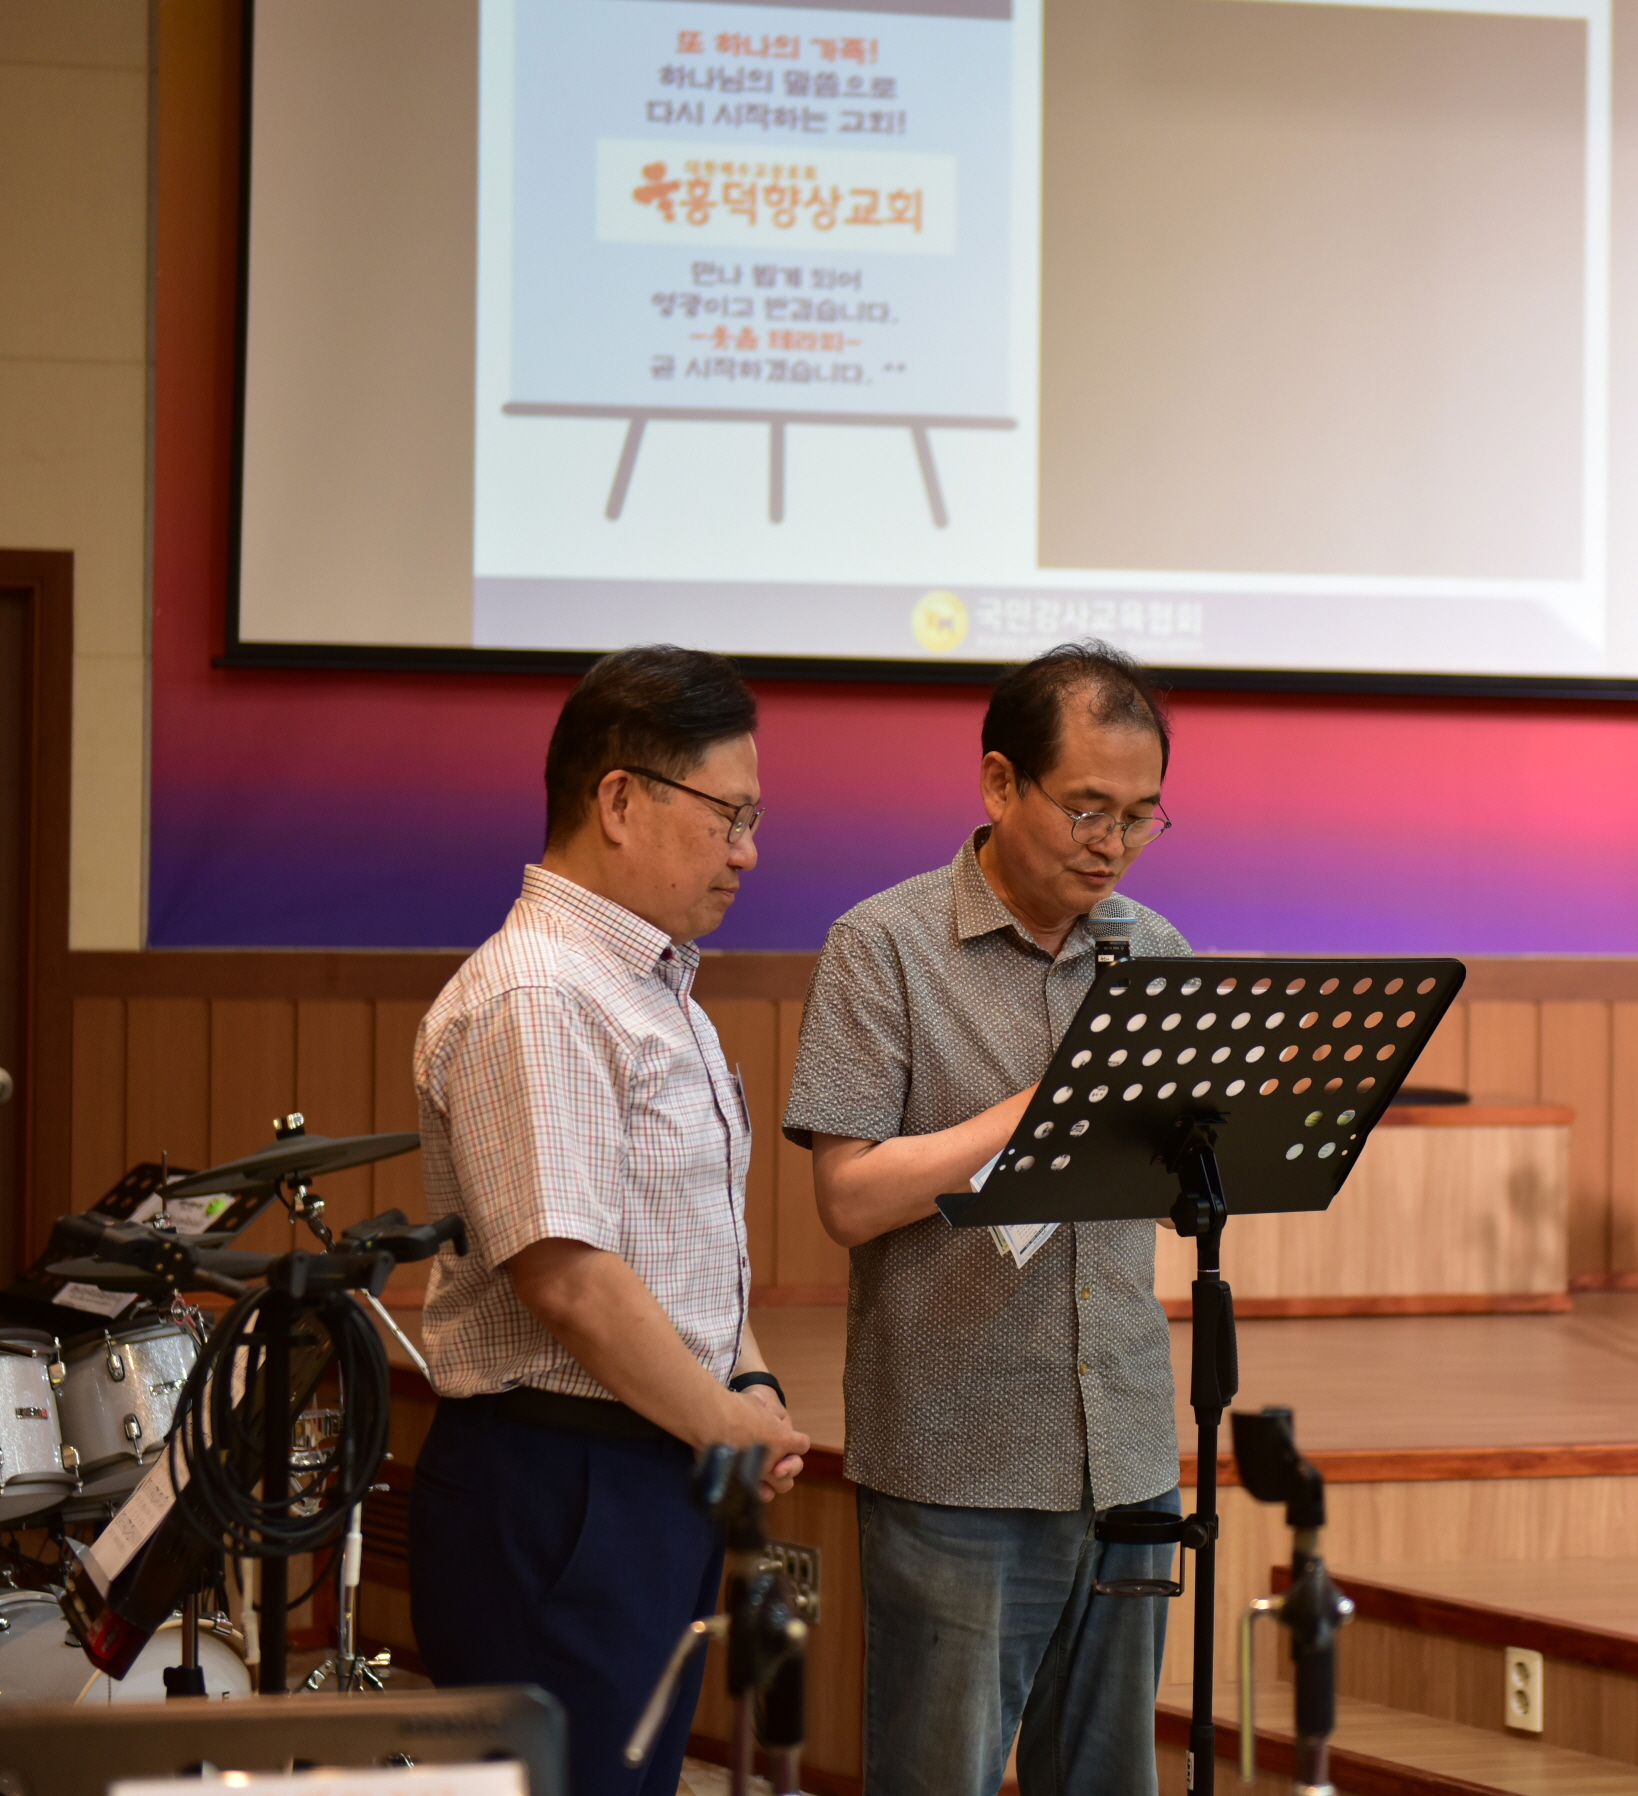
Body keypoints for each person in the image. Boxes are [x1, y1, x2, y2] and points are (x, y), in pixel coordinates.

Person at [783, 640, 1187, 1796]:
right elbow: (848, 1196)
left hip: (1124, 1442)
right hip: (958, 1451)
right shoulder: (886, 946)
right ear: (1001, 782)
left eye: (1142, 816)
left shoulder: (1153, 949)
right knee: (939, 1775)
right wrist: (1031, 1113)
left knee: (1108, 1778)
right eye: (1087, 808)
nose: (1112, 843)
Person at [409, 645, 812, 1796]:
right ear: (621, 799)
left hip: (646, 1463)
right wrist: (728, 1425)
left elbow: (685, 1245)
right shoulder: (540, 990)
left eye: (753, 818)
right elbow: (571, 1276)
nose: (746, 850)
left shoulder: (649, 984)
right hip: (559, 1482)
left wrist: (749, 1381)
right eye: (726, 815)